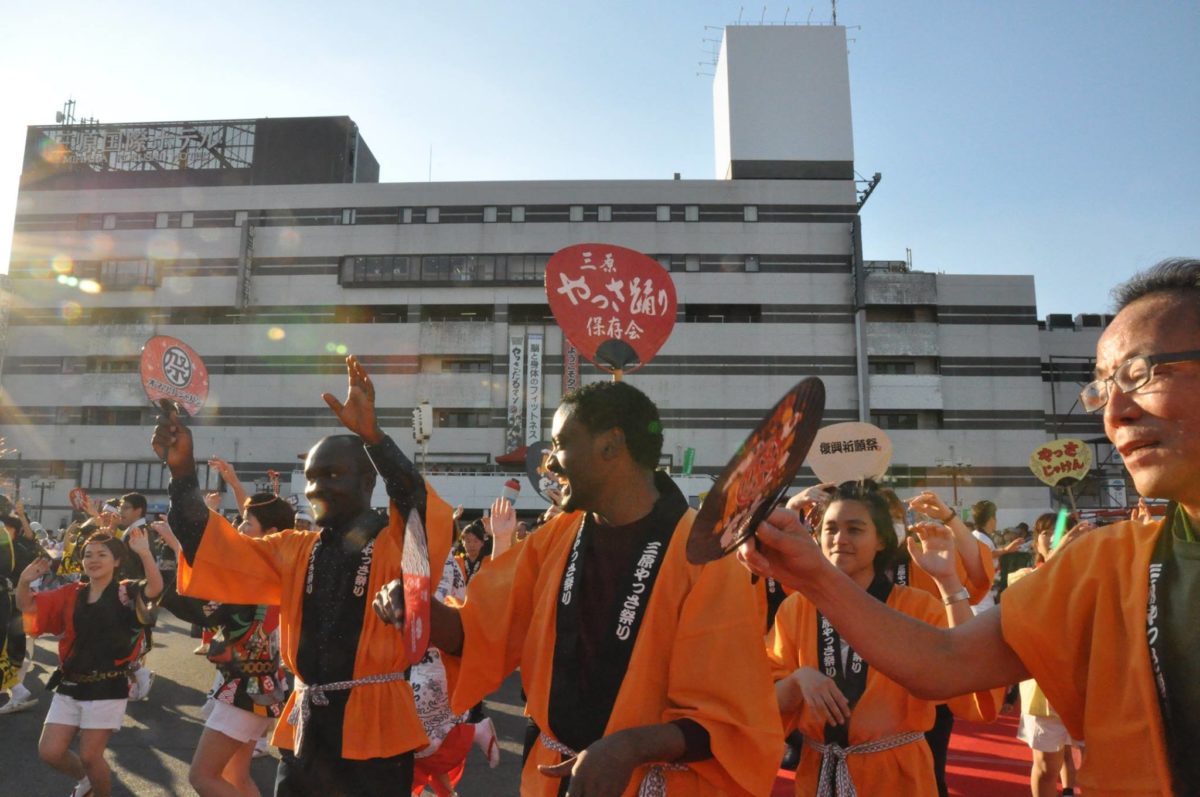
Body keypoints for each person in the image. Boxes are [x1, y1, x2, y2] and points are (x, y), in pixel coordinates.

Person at [739, 258, 1200, 795]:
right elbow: (946, 661)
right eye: (1101, 388)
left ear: (885, 539)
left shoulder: (923, 594)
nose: (1115, 412)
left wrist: (948, 577)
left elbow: (969, 645)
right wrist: (810, 577)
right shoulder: (1104, 566)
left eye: (1141, 374)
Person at [383, 380, 783, 796]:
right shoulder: (555, 538)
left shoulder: (704, 555)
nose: (549, 465)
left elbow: (730, 720)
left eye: (560, 445)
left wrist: (629, 747)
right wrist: (415, 607)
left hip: (654, 785)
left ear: (611, 445)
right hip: (552, 778)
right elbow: (480, 631)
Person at [154, 355, 454, 796]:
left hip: (376, 730)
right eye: (311, 478)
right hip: (306, 725)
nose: (316, 488)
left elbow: (419, 507)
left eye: (332, 474)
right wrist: (182, 472)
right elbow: (213, 548)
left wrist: (374, 439)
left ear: (368, 483)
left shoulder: (397, 543)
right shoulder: (294, 548)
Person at [767, 481, 997, 795]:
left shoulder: (917, 606)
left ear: (881, 540)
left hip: (898, 775)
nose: (840, 539)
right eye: (830, 529)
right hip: (818, 773)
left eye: (855, 529)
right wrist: (798, 680)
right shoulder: (796, 608)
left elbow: (969, 675)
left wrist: (948, 580)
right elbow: (764, 702)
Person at [156, 497, 293, 797]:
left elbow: (206, 605)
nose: (239, 528)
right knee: (235, 776)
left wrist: (159, 584)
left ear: (271, 533)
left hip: (246, 687)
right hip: (256, 684)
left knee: (202, 777)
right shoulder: (276, 570)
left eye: (247, 523)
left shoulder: (255, 577)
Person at [18, 527, 163, 797]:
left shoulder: (126, 591)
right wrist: (24, 582)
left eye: (102, 554)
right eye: (88, 555)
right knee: (50, 751)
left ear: (117, 561)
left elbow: (155, 588)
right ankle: (88, 783)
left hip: (108, 684)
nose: (93, 560)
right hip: (71, 682)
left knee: (90, 756)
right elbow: (28, 607)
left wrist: (144, 553)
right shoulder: (72, 592)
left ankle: (98, 790)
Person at [1009, 512, 1090, 797]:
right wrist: (1059, 555)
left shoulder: (1091, 575)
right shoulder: (1022, 577)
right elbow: (1028, 607)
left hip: (1087, 690)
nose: (1055, 537)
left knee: (1094, 767)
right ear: (1035, 542)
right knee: (1046, 767)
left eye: (1063, 531)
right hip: (1042, 692)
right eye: (1047, 532)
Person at [0, 508, 44, 714]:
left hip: (11, 598)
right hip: (9, 597)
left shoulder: (13, 545)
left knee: (9, 647)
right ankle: (17, 689)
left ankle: (17, 689)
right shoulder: (11, 543)